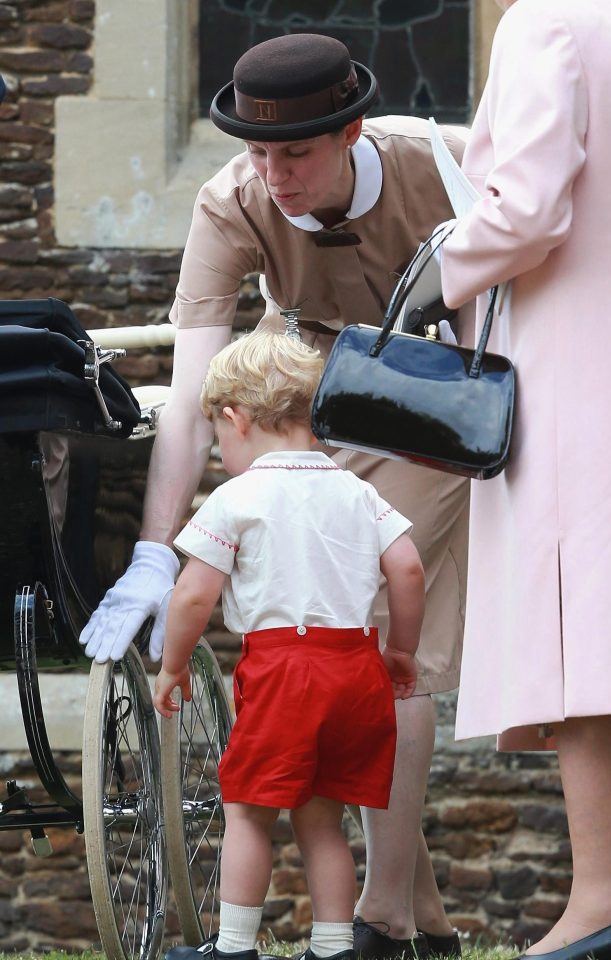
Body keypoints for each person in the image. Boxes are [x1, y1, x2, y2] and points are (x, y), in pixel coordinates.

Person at [80, 32, 467, 958]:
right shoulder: (231, 203)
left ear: (351, 133)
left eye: (294, 152)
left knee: (376, 645)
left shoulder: (436, 164)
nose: (274, 174)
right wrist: (153, 548)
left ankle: (380, 918)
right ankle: (423, 928)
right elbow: (193, 392)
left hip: (431, 403)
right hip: (301, 406)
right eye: (257, 152)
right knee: (318, 636)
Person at [437, 1, 611, 958]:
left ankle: (607, 896)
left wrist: (434, 268)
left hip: (584, 360)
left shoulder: (551, 22)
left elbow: (527, 209)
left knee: (588, 626)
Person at [155, 330, 424, 960]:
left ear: (235, 417)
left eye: (219, 440)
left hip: (284, 670)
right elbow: (407, 568)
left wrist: (171, 664)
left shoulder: (237, 497)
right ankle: (333, 949)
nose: (222, 453)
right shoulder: (356, 491)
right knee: (322, 818)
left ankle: (234, 946)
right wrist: (402, 650)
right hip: (356, 667)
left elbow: (193, 595)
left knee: (249, 812)